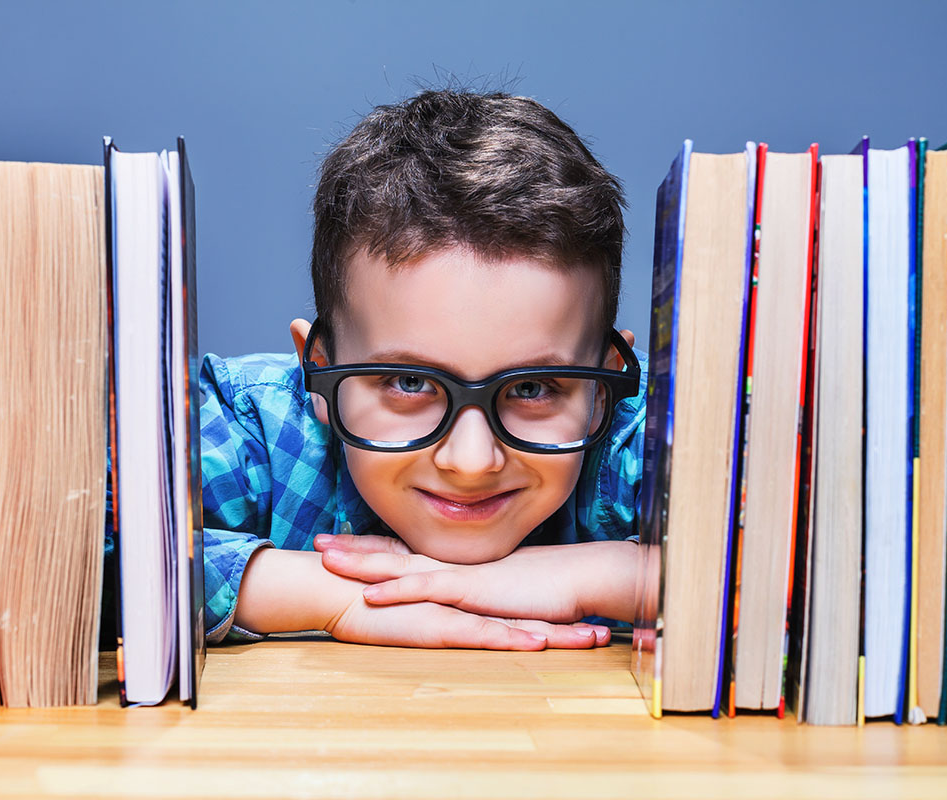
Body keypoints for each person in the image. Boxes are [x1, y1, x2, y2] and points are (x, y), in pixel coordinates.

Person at [201, 88, 646, 650]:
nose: (471, 462)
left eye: (532, 388)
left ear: (605, 391)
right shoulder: (254, 427)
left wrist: (611, 576)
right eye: (410, 382)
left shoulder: (644, 438)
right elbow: (82, 546)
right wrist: (335, 597)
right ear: (318, 368)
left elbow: (784, 559)